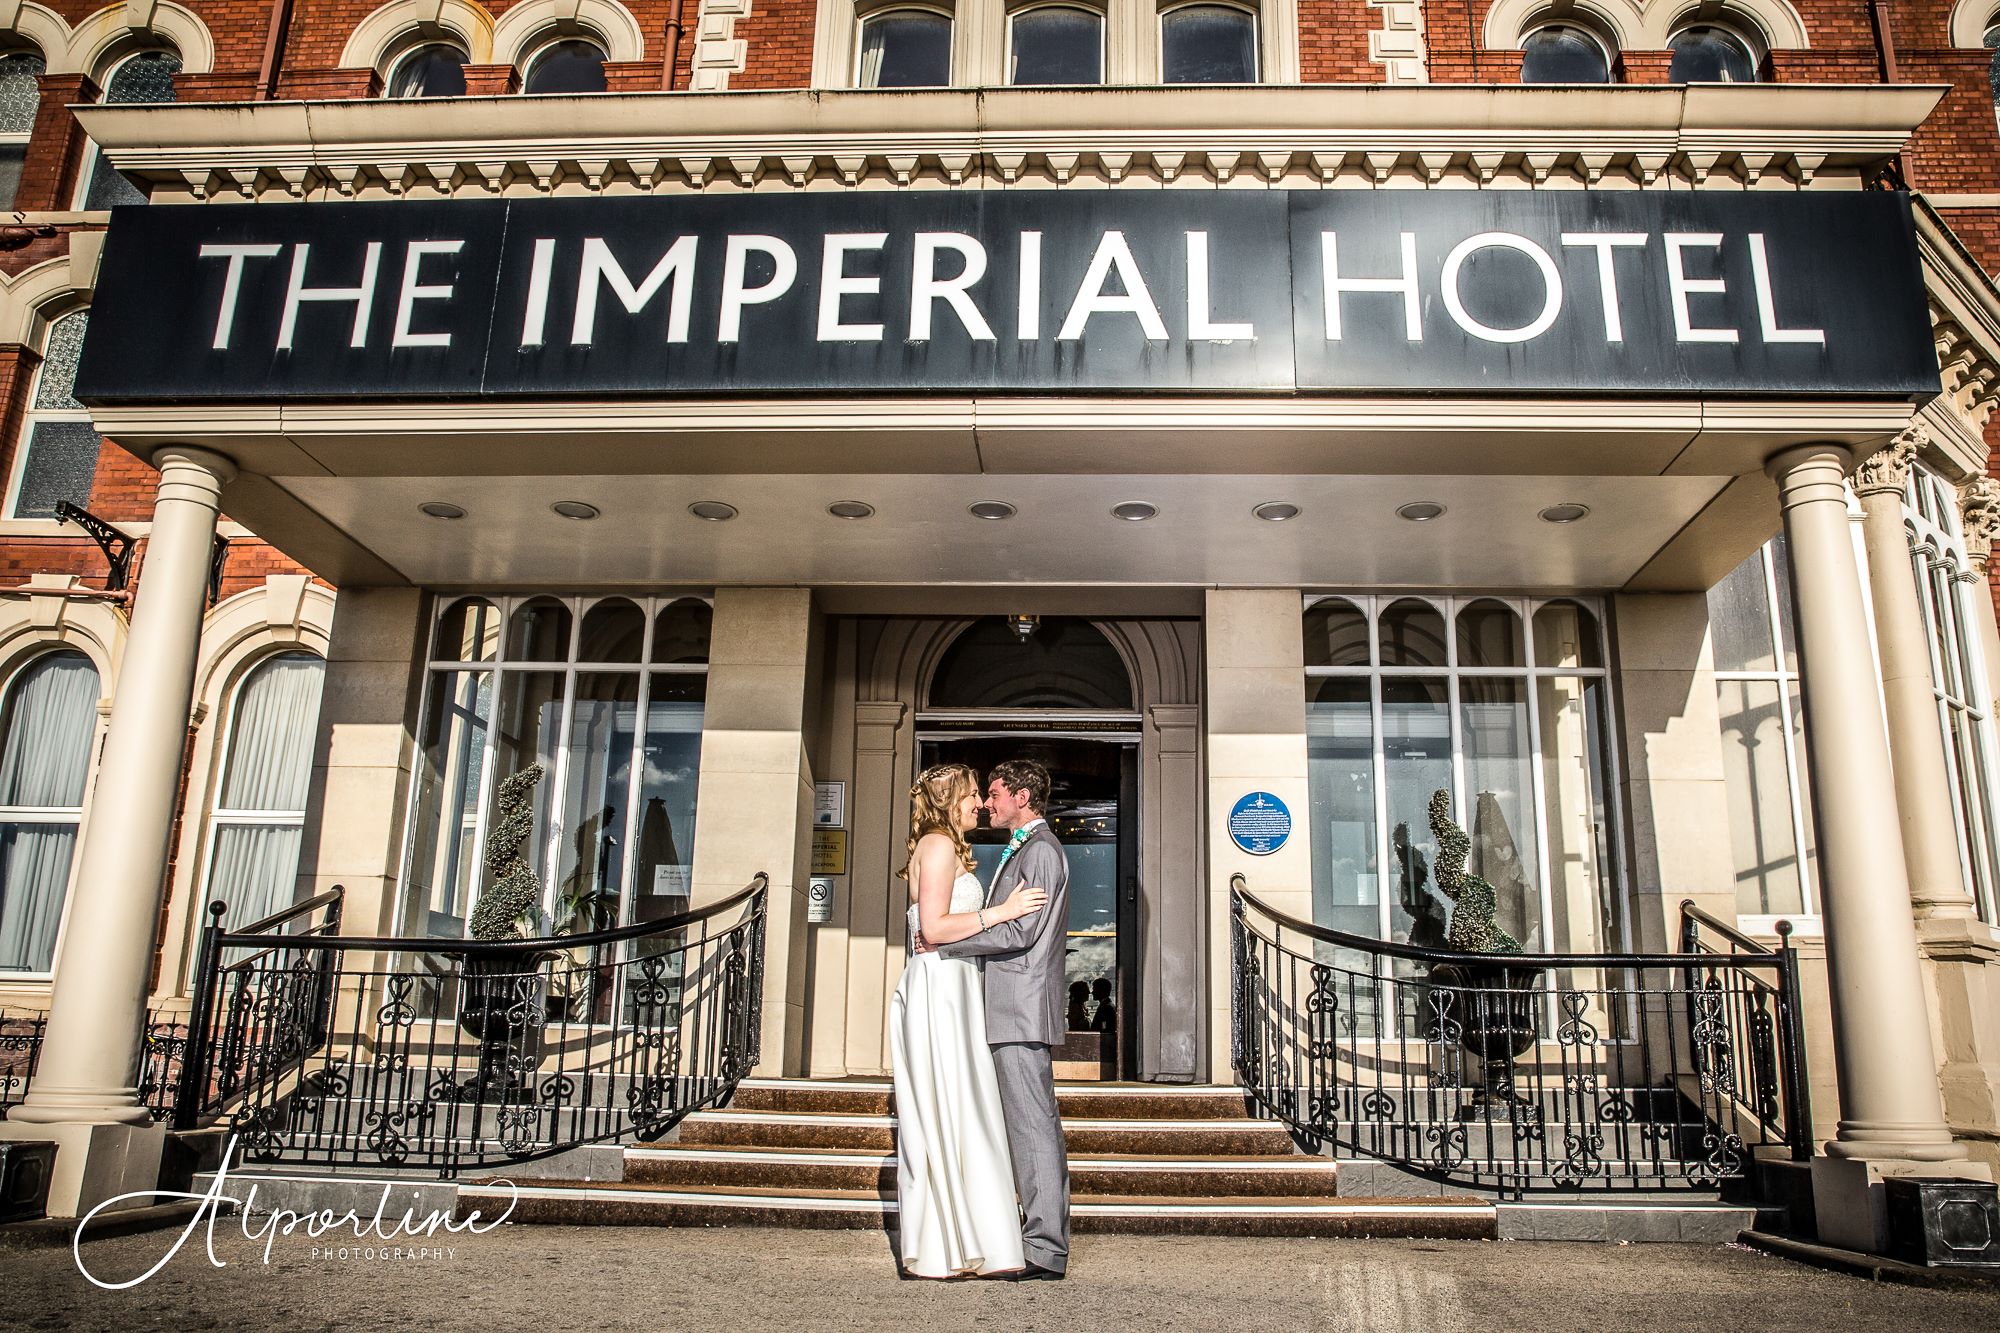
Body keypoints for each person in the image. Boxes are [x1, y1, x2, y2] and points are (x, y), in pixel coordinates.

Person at [889, 762, 1048, 1280]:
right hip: (940, 986)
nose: (979, 803)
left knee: (967, 1107)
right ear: (949, 798)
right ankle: (949, 1241)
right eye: (973, 793)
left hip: (957, 984)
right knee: (951, 1107)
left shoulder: (949, 847)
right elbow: (932, 929)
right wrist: (1004, 911)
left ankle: (975, 1235)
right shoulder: (935, 845)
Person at [938, 758, 1073, 1282]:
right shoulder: (1025, 848)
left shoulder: (1039, 851)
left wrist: (948, 943)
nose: (987, 803)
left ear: (1022, 795)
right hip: (1007, 1007)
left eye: (994, 793)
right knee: (1022, 1125)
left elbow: (1021, 934)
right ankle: (1030, 1236)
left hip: (1020, 1009)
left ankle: (1045, 1249)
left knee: (1033, 1126)